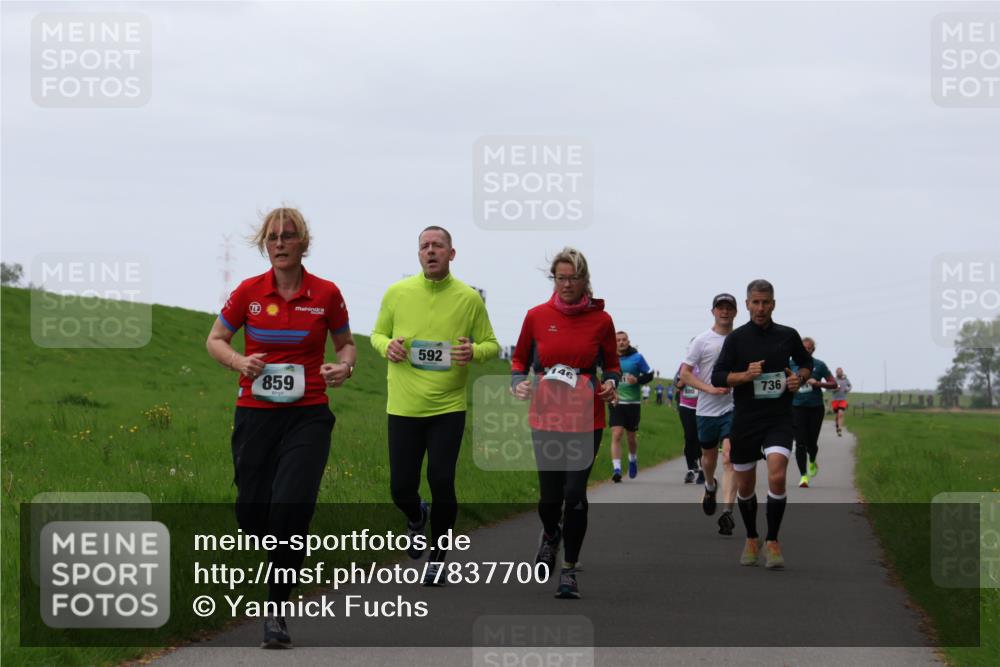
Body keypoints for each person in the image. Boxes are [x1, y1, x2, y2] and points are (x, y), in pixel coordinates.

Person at [206, 207, 357, 649]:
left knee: (290, 507)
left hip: (308, 413)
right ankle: (287, 547)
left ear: (302, 242)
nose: (280, 243)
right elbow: (215, 339)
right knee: (252, 513)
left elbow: (347, 344)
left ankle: (276, 611)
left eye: (288, 236)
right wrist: (239, 361)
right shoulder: (248, 293)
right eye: (273, 237)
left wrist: (343, 368)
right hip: (255, 413)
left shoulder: (326, 294)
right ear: (264, 244)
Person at [370, 226, 500, 585]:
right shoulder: (397, 293)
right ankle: (416, 516)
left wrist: (473, 351)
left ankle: (438, 557)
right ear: (418, 255)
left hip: (448, 407)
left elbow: (491, 344)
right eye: (424, 246)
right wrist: (387, 348)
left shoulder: (469, 298)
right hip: (403, 407)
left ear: (451, 254)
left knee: (441, 480)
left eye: (437, 246)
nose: (431, 251)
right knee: (400, 488)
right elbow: (377, 335)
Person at [511, 247, 620, 599]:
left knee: (574, 495)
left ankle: (569, 570)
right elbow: (518, 359)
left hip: (587, 417)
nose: (567, 284)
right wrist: (519, 383)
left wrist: (611, 383)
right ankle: (550, 534)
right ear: (553, 279)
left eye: (573, 278)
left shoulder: (601, 321)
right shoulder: (536, 316)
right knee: (549, 499)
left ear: (585, 279)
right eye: (561, 278)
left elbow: (613, 365)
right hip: (546, 414)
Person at [711, 279, 812, 569]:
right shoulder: (737, 339)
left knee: (778, 475)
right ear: (747, 305)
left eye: (765, 302)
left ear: (773, 304)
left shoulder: (788, 335)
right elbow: (718, 376)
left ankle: (773, 541)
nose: (760, 308)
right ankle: (752, 537)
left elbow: (805, 363)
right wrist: (743, 376)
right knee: (745, 486)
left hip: (779, 417)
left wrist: (799, 378)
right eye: (755, 302)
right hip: (745, 419)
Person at [680, 293, 738, 535]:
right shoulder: (702, 341)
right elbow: (685, 374)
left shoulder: (741, 339)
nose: (724, 312)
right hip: (706, 409)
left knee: (730, 458)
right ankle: (711, 486)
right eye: (720, 308)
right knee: (709, 459)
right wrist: (710, 389)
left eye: (729, 308)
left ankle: (727, 512)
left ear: (735, 312)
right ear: (713, 311)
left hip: (733, 408)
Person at [790, 338, 838, 488]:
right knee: (800, 443)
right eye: (803, 348)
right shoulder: (790, 364)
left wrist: (818, 383)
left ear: (813, 350)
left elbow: (834, 384)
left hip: (815, 407)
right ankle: (803, 476)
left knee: (811, 443)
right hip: (796, 407)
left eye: (809, 348)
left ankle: (812, 459)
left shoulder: (819, 365)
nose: (806, 350)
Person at [608, 331, 653, 482]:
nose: (621, 342)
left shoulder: (637, 358)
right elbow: (602, 375)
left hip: (633, 403)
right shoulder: (609, 358)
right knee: (617, 433)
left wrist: (637, 380)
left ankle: (632, 459)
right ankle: (617, 469)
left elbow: (650, 374)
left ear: (628, 341)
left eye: (624, 340)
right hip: (616, 401)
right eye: (618, 340)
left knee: (631, 437)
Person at [675, 361, 703, 484]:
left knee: (701, 439)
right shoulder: (684, 365)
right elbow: (677, 384)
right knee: (689, 437)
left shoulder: (707, 363)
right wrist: (681, 383)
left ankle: (703, 471)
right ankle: (690, 470)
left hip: (704, 406)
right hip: (686, 406)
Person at [831, 368, 852, 435]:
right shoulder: (834, 380)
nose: (840, 373)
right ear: (836, 373)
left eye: (841, 372)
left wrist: (847, 389)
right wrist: (835, 389)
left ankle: (840, 429)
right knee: (837, 415)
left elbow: (850, 386)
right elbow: (829, 388)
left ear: (842, 372)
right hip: (835, 400)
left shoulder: (846, 379)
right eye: (838, 372)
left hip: (842, 400)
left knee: (841, 414)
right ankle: (837, 425)